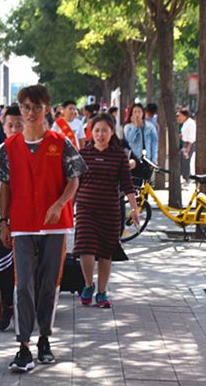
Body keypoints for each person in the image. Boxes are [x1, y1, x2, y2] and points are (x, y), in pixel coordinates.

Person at [0, 85, 86, 373]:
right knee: (24, 286)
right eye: (25, 108)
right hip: (21, 224)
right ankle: (23, 346)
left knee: (49, 285)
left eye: (36, 107)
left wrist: (59, 204)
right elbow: (4, 185)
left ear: (47, 109)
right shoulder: (10, 147)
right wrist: (4, 221)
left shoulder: (60, 142)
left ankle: (44, 338)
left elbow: (75, 179)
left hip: (54, 227)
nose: (30, 113)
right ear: (20, 110)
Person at [74, 113, 139, 310]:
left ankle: (102, 292)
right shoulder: (83, 154)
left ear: (112, 132)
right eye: (96, 130)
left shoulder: (119, 155)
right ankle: (88, 285)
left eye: (104, 130)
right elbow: (74, 183)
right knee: (85, 249)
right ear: (91, 132)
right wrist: (66, 207)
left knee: (105, 252)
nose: (100, 134)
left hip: (110, 210)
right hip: (86, 209)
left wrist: (134, 209)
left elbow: (127, 185)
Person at [0, 105, 24, 332]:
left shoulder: (32, 151)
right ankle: (6, 306)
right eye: (10, 125)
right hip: (1, 219)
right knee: (3, 267)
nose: (15, 129)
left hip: (28, 219)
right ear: (3, 127)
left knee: (27, 267)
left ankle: (28, 307)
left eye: (19, 125)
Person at [177, 108, 196, 186]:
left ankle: (188, 178)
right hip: (185, 143)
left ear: (185, 115)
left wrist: (188, 147)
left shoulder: (190, 123)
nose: (179, 117)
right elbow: (185, 133)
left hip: (189, 144)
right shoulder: (185, 123)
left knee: (186, 161)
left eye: (180, 115)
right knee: (183, 161)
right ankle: (186, 177)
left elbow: (191, 136)